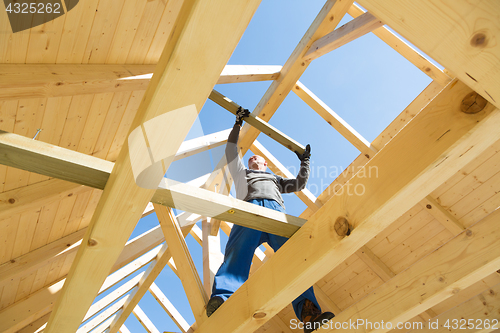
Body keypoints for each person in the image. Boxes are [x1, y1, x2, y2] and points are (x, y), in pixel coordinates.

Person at [206, 107, 335, 332]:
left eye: (258, 158)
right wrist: (238, 124)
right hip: (250, 210)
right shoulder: (242, 174)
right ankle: (223, 301)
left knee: (294, 260)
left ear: (265, 165)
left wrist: (305, 161)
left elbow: (299, 184)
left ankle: (308, 314)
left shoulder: (275, 179)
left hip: (276, 214)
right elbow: (231, 152)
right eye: (251, 158)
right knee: (236, 256)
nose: (253, 158)